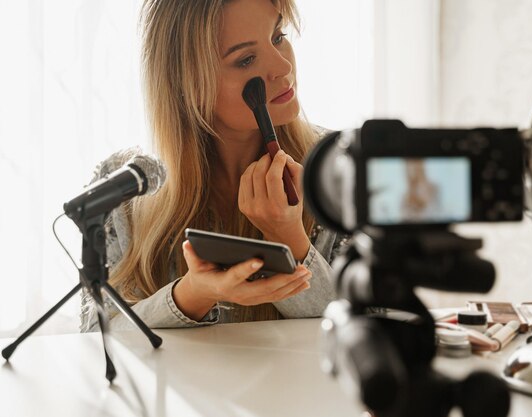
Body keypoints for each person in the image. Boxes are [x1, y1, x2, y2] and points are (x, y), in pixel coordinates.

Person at [80, 0, 346, 331]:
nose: (282, 66)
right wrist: (190, 295)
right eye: (246, 59)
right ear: (187, 85)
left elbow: (373, 328)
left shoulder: (340, 166)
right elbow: (95, 335)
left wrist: (290, 238)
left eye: (278, 35)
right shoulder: (126, 186)